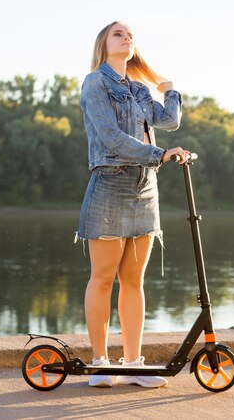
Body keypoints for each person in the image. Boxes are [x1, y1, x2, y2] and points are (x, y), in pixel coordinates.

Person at [74, 20, 189, 388]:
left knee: (133, 282)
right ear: (104, 44)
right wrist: (160, 154)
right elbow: (110, 137)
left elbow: (169, 120)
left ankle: (134, 364)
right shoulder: (96, 83)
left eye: (130, 35)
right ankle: (100, 364)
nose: (127, 37)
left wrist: (169, 89)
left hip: (145, 190)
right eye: (118, 33)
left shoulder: (139, 90)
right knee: (103, 278)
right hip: (109, 185)